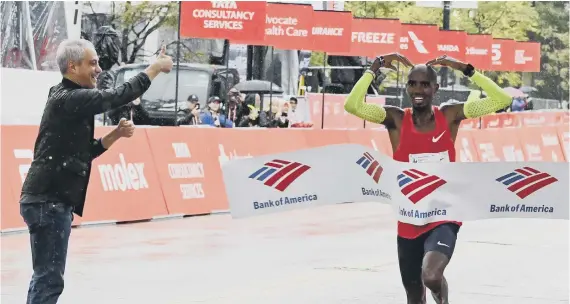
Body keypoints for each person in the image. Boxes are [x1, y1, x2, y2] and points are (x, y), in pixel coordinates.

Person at [344, 53, 512, 304]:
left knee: (431, 275)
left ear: (436, 87)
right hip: (409, 217)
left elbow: (503, 99)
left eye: (425, 84)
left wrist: (464, 68)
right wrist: (374, 67)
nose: (418, 89)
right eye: (412, 83)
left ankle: (442, 299)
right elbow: (352, 106)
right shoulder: (396, 119)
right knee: (413, 295)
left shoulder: (450, 115)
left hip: (443, 214)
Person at [19, 39, 173, 304]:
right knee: (49, 279)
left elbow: (82, 152)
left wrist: (115, 135)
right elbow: (116, 95)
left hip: (46, 199)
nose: (99, 69)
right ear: (72, 66)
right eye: (93, 63)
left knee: (45, 277)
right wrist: (155, 68)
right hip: (49, 201)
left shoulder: (64, 96)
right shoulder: (71, 98)